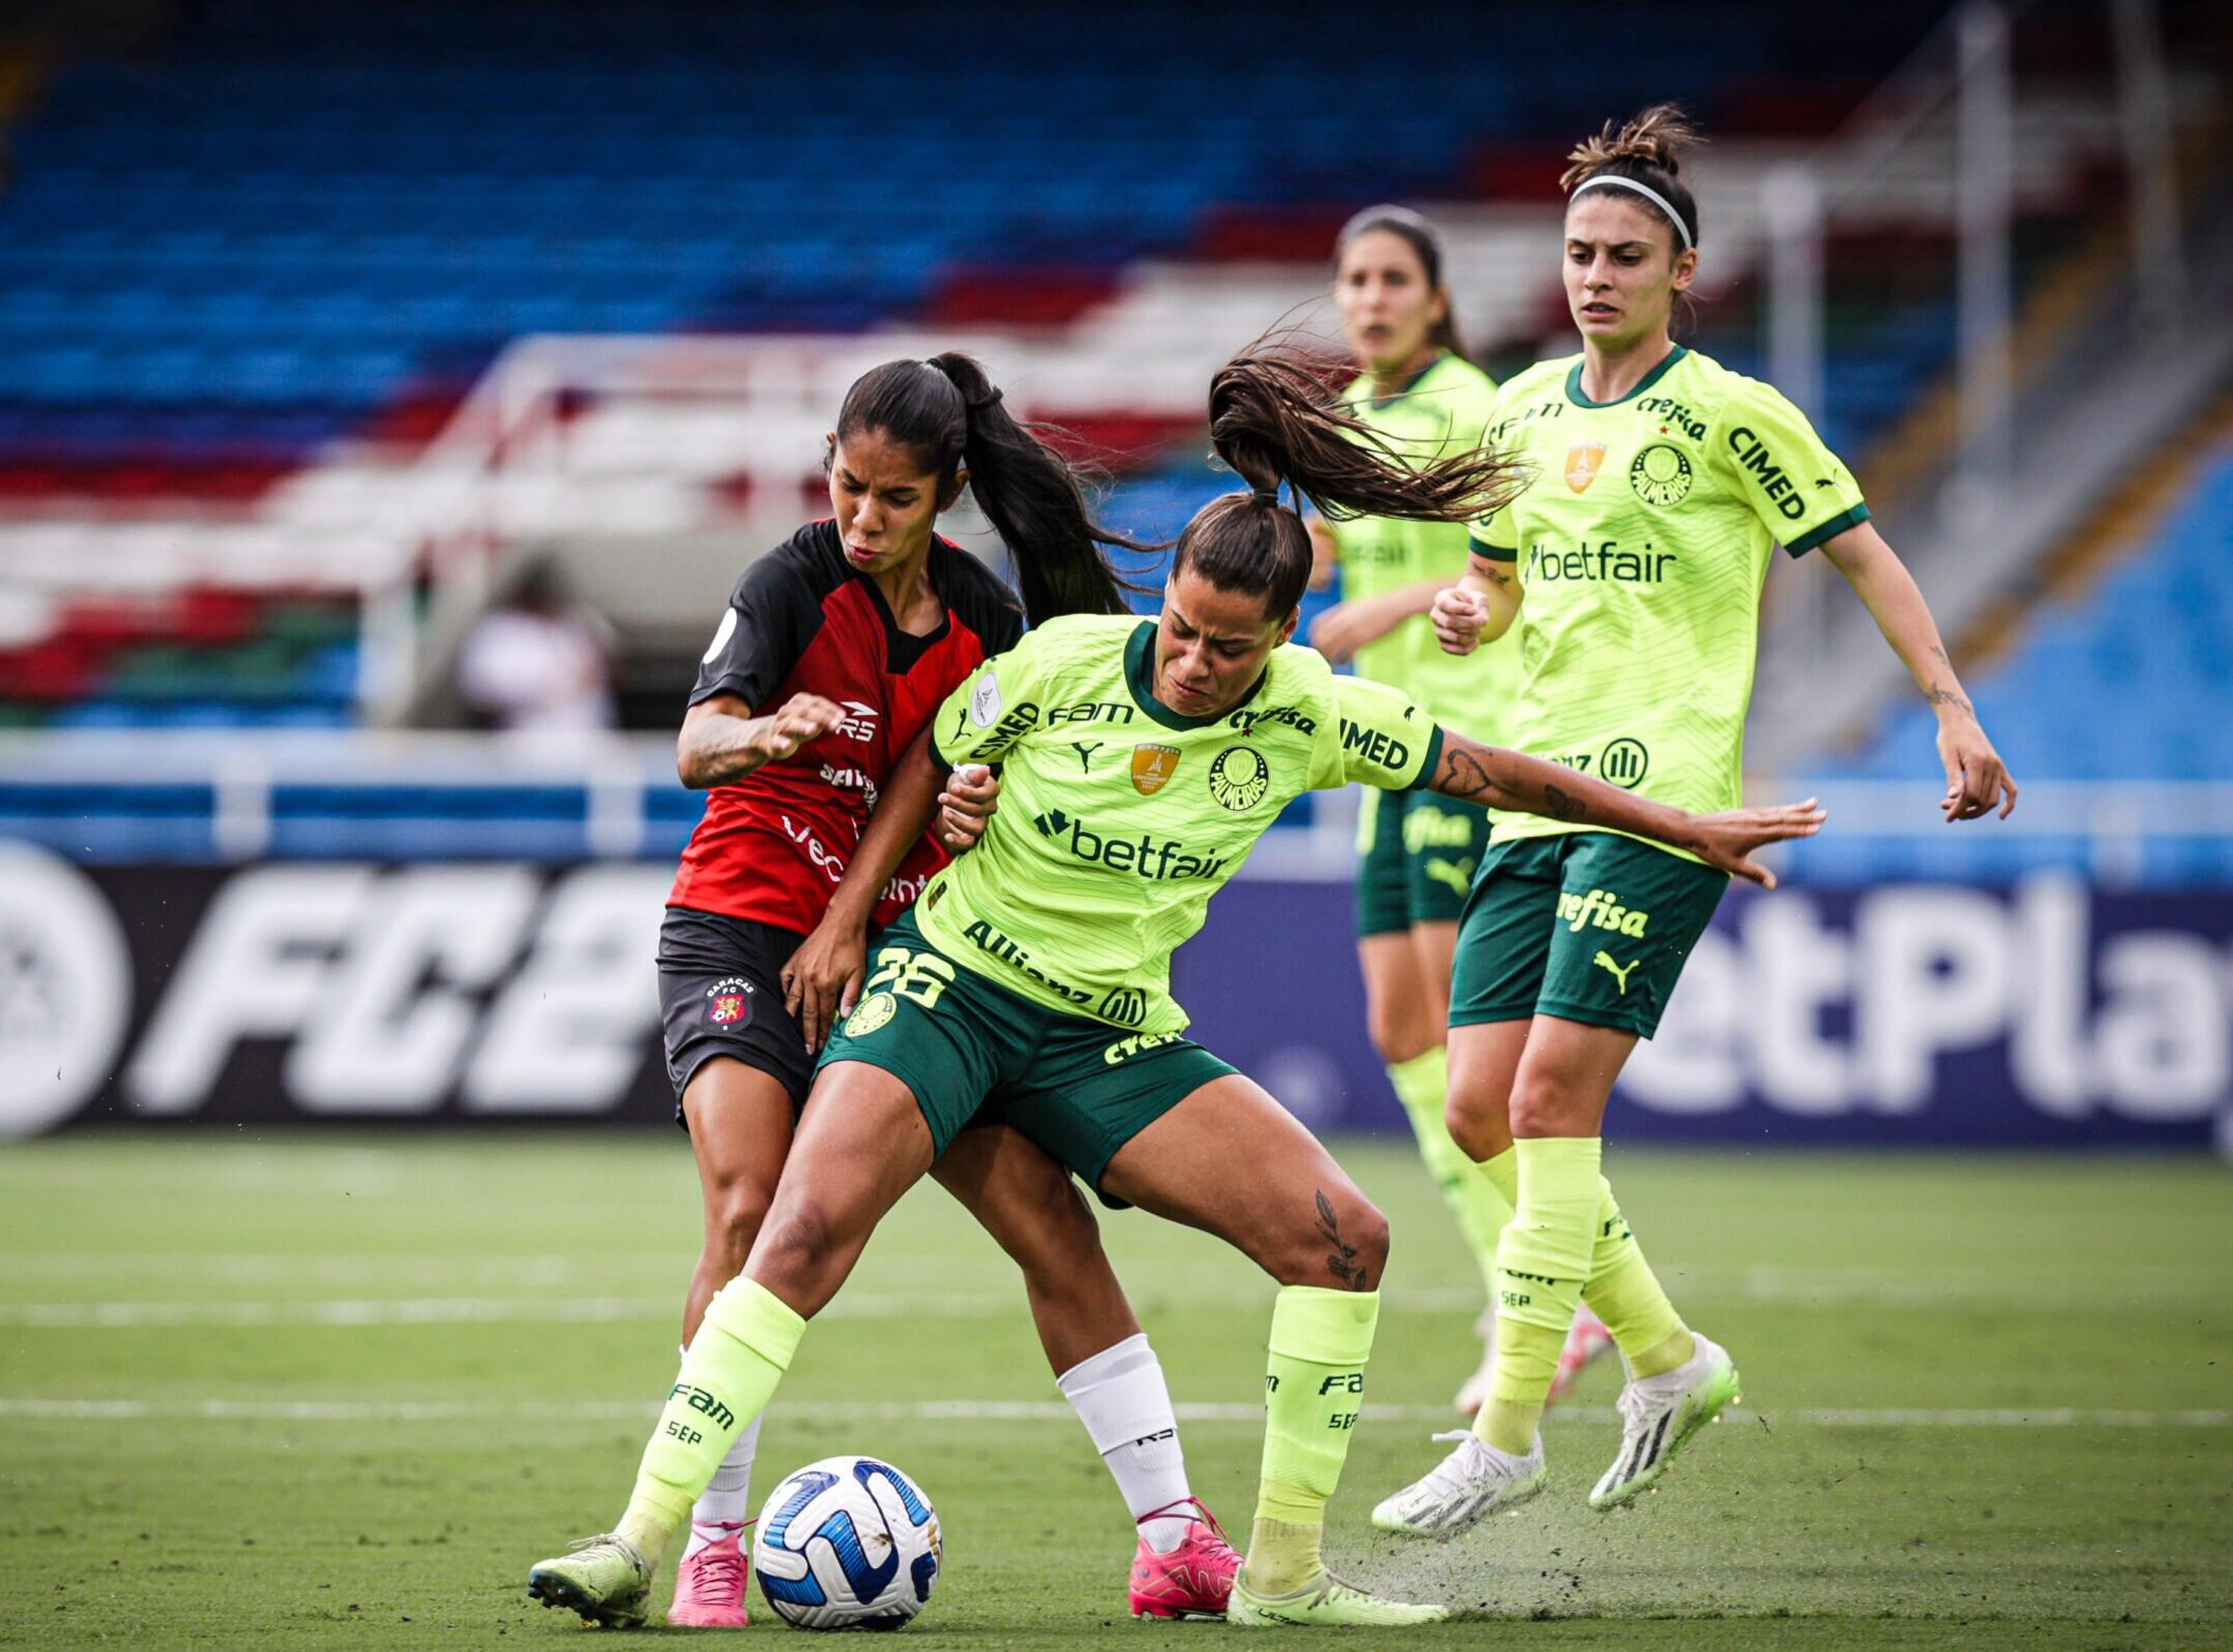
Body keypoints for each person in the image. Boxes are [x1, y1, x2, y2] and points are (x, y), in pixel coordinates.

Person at [531, 339, 1826, 1629]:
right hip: (951, 987)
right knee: (794, 1228)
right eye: (1184, 631)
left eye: (1229, 649)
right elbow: (935, 753)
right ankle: (647, 1538)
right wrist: (860, 910)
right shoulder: (1063, 659)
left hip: (1108, 1034)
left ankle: (1276, 1574)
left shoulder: (1313, 711)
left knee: (1344, 1241)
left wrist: (1677, 823)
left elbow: (1491, 769)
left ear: (1282, 640)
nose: (1194, 664)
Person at [1368, 105, 2017, 1540]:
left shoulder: (1733, 413)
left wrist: (1950, 703)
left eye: (1625, 254)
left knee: (1547, 1104)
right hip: (1536, 798)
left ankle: (1507, 1430)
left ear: (1684, 270)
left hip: (1666, 806)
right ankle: (1674, 1357)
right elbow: (1491, 585)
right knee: (1480, 1110)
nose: (1595, 274)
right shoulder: (1518, 412)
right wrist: (1475, 610)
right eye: (1579, 252)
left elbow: (1866, 552)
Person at [652, 352, 1240, 1627]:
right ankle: (708, 1535)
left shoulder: (986, 620)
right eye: (848, 486)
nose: (862, 519)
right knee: (751, 1205)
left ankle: (1175, 1531)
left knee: (1047, 1218)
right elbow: (698, 740)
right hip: (747, 931)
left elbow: (999, 766)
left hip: (911, 958)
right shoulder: (792, 579)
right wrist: (763, 733)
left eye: (894, 500)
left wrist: (975, 803)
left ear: (949, 493)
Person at [1310, 204, 1610, 1416]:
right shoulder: (1349, 418)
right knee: (1397, 1032)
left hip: (1472, 749)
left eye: (1393, 280)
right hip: (1389, 754)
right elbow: (1340, 557)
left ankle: (1558, 1286)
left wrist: (1390, 608)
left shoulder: (1480, 408)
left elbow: (1518, 556)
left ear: (1434, 300)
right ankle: (1526, 1276)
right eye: (1354, 280)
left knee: (1456, 1037)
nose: (1372, 299)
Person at [454, 557, 617, 732]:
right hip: (525, 739)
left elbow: (615, 672)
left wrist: (594, 668)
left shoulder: (581, 621)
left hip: (587, 736)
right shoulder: (498, 631)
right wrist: (540, 691)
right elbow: (480, 692)